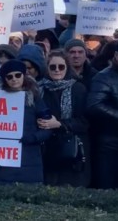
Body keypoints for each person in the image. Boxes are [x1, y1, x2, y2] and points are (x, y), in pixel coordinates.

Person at [0, 60, 52, 184]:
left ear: (24, 76)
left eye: (18, 75)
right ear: (5, 79)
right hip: (3, 160)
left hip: (30, 159)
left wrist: (33, 138)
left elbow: (47, 127)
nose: (14, 79)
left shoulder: (35, 98)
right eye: (10, 76)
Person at [38, 50, 90, 187]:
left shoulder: (78, 89)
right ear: (47, 68)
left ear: (67, 68)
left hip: (70, 150)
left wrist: (60, 124)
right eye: (52, 67)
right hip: (46, 149)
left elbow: (84, 121)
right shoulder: (38, 89)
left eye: (61, 67)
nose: (57, 70)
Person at [87, 40, 118, 189]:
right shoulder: (104, 77)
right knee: (108, 187)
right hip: (110, 143)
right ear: (116, 55)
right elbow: (94, 105)